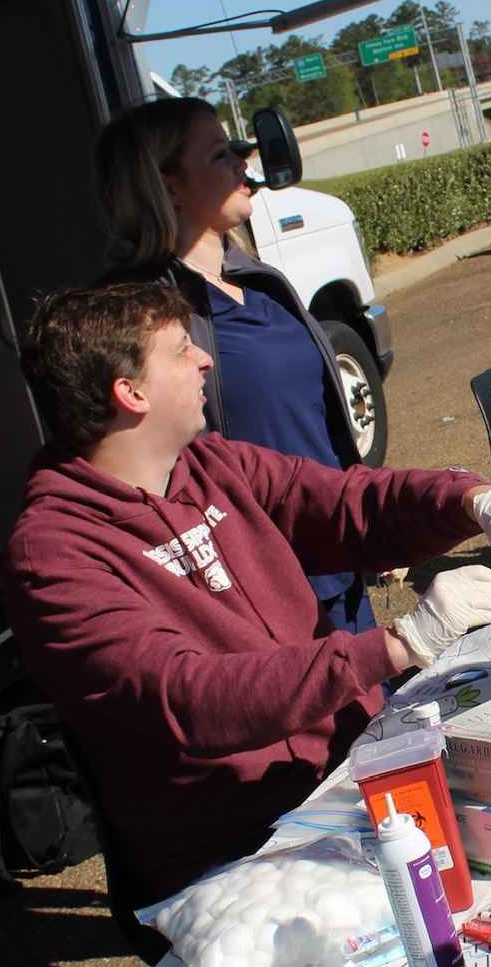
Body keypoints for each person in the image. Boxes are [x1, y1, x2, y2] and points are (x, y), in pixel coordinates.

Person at [5, 283, 491, 907]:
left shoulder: (208, 464)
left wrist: (474, 500)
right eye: (181, 351)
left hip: (351, 784)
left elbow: (346, 504)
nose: (205, 359)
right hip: (236, 863)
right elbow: (187, 697)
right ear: (132, 393)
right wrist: (400, 644)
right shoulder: (53, 555)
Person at [95, 96, 379, 633]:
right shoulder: (138, 314)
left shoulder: (259, 282)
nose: (243, 165)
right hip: (258, 591)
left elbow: (315, 420)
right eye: (221, 154)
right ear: (169, 185)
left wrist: (371, 519)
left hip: (334, 560)